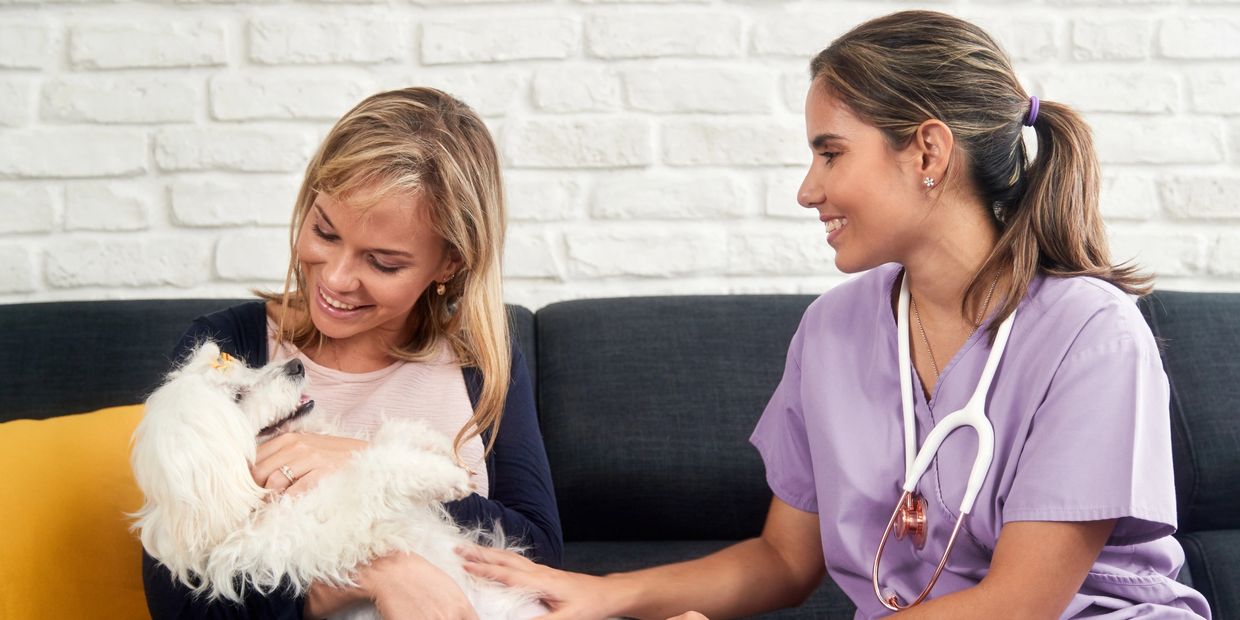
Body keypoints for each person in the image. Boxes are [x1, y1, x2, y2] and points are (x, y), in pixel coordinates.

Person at [460, 11, 1211, 619]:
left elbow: (1016, 607)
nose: (807, 190)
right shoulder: (833, 330)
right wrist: (605, 594)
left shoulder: (1091, 335)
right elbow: (785, 560)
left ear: (927, 153)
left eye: (831, 153)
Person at [141, 87, 563, 619]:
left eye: (383, 262)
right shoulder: (230, 353)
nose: (337, 278)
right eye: (324, 231)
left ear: (450, 263)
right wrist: (374, 573)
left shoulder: (481, 357)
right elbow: (178, 597)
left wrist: (360, 459)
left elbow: (540, 554)